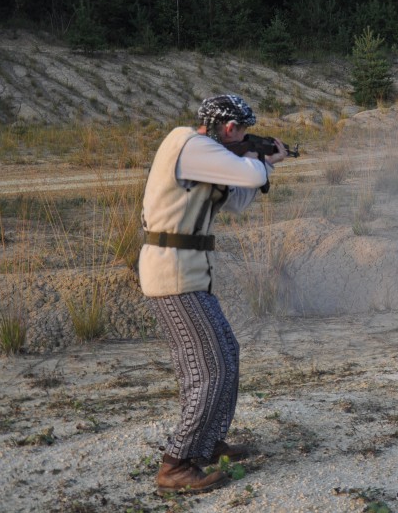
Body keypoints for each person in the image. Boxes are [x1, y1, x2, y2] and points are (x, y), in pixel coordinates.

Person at [138, 94, 290, 495]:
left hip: (187, 274)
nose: (241, 135)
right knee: (207, 371)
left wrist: (264, 163)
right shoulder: (190, 144)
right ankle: (176, 464)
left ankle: (207, 443)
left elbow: (240, 198)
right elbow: (250, 175)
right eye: (240, 130)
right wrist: (261, 162)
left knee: (226, 353)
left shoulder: (204, 155)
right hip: (172, 275)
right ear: (229, 129)